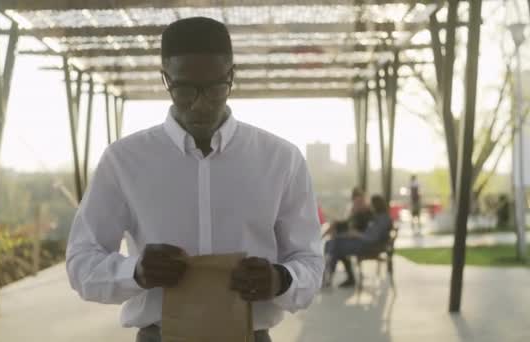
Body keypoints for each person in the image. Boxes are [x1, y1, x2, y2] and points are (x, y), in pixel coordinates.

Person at [65, 17, 323, 342]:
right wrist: (135, 272)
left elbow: (311, 261)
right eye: (185, 88)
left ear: (232, 76)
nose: (200, 103)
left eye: (215, 87)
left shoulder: (281, 160)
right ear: (165, 79)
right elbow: (81, 261)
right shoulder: (123, 161)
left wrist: (281, 279)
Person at [323, 195, 393, 288]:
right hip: (365, 243)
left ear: (376, 205)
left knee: (334, 245)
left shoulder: (382, 219)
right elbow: (369, 232)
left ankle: (328, 276)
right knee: (335, 243)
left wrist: (358, 234)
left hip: (370, 246)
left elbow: (372, 237)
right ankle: (329, 275)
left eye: (371, 204)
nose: (369, 206)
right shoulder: (378, 217)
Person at [321, 187, 372, 288]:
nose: (358, 203)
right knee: (333, 245)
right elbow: (348, 225)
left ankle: (328, 275)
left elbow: (359, 232)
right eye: (356, 201)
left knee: (334, 245)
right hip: (352, 240)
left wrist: (343, 233)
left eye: (360, 201)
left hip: (360, 242)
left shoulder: (368, 214)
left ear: (364, 199)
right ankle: (334, 275)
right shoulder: (355, 212)